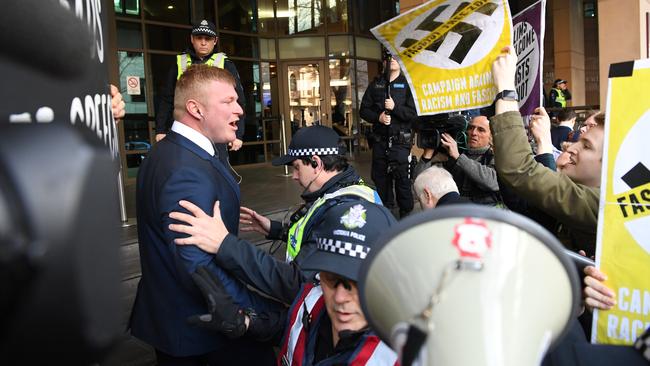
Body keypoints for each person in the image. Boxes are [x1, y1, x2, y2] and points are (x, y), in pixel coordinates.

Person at [129, 65, 279, 365]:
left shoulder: (169, 151)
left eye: (237, 100)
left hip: (177, 321)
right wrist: (261, 317)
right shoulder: (186, 171)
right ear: (196, 109)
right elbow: (198, 266)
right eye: (228, 102)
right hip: (202, 331)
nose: (239, 110)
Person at [173, 200, 400, 365]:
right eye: (332, 279)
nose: (340, 297)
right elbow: (293, 326)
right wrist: (246, 322)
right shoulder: (313, 296)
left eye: (356, 282)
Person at [490, 45, 604, 256]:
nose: (572, 146)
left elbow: (519, 168)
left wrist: (505, 88)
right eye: (581, 136)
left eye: (587, 145)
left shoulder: (605, 204)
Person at [241, 125, 382, 264]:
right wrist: (275, 230)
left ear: (316, 163)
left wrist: (230, 248)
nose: (294, 176)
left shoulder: (341, 212)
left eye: (297, 167)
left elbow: (295, 279)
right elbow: (315, 239)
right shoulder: (342, 192)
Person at [154, 19, 246, 165]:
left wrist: (238, 134)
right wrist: (161, 129)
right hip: (185, 130)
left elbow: (237, 100)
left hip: (215, 129)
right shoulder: (179, 62)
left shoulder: (225, 64)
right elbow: (167, 98)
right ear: (192, 39)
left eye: (208, 38)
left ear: (215, 41)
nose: (203, 42)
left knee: (218, 172)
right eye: (199, 38)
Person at [360, 52, 417, 218]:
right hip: (380, 143)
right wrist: (378, 117)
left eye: (396, 57)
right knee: (381, 181)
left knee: (402, 182)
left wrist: (394, 107)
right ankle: (386, 217)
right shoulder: (376, 85)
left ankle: (407, 218)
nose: (392, 60)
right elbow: (364, 110)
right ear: (384, 62)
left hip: (400, 144)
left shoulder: (407, 86)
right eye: (389, 57)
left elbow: (413, 114)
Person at [437, 115, 501, 206]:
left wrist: (459, 158)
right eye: (471, 128)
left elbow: (493, 182)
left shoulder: (495, 156)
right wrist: (428, 155)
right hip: (457, 211)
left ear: (491, 136)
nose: (473, 133)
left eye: (481, 130)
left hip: (483, 214)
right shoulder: (456, 152)